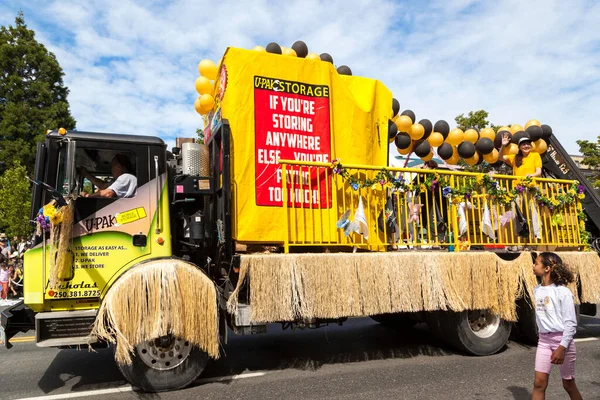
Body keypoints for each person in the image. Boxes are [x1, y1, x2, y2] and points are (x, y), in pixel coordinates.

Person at [531, 252, 582, 400]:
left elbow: (571, 324)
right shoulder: (537, 290)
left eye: (536, 263)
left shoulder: (563, 292)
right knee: (539, 383)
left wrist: (562, 347)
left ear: (547, 268)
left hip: (562, 341)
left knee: (568, 384)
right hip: (544, 341)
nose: (533, 266)